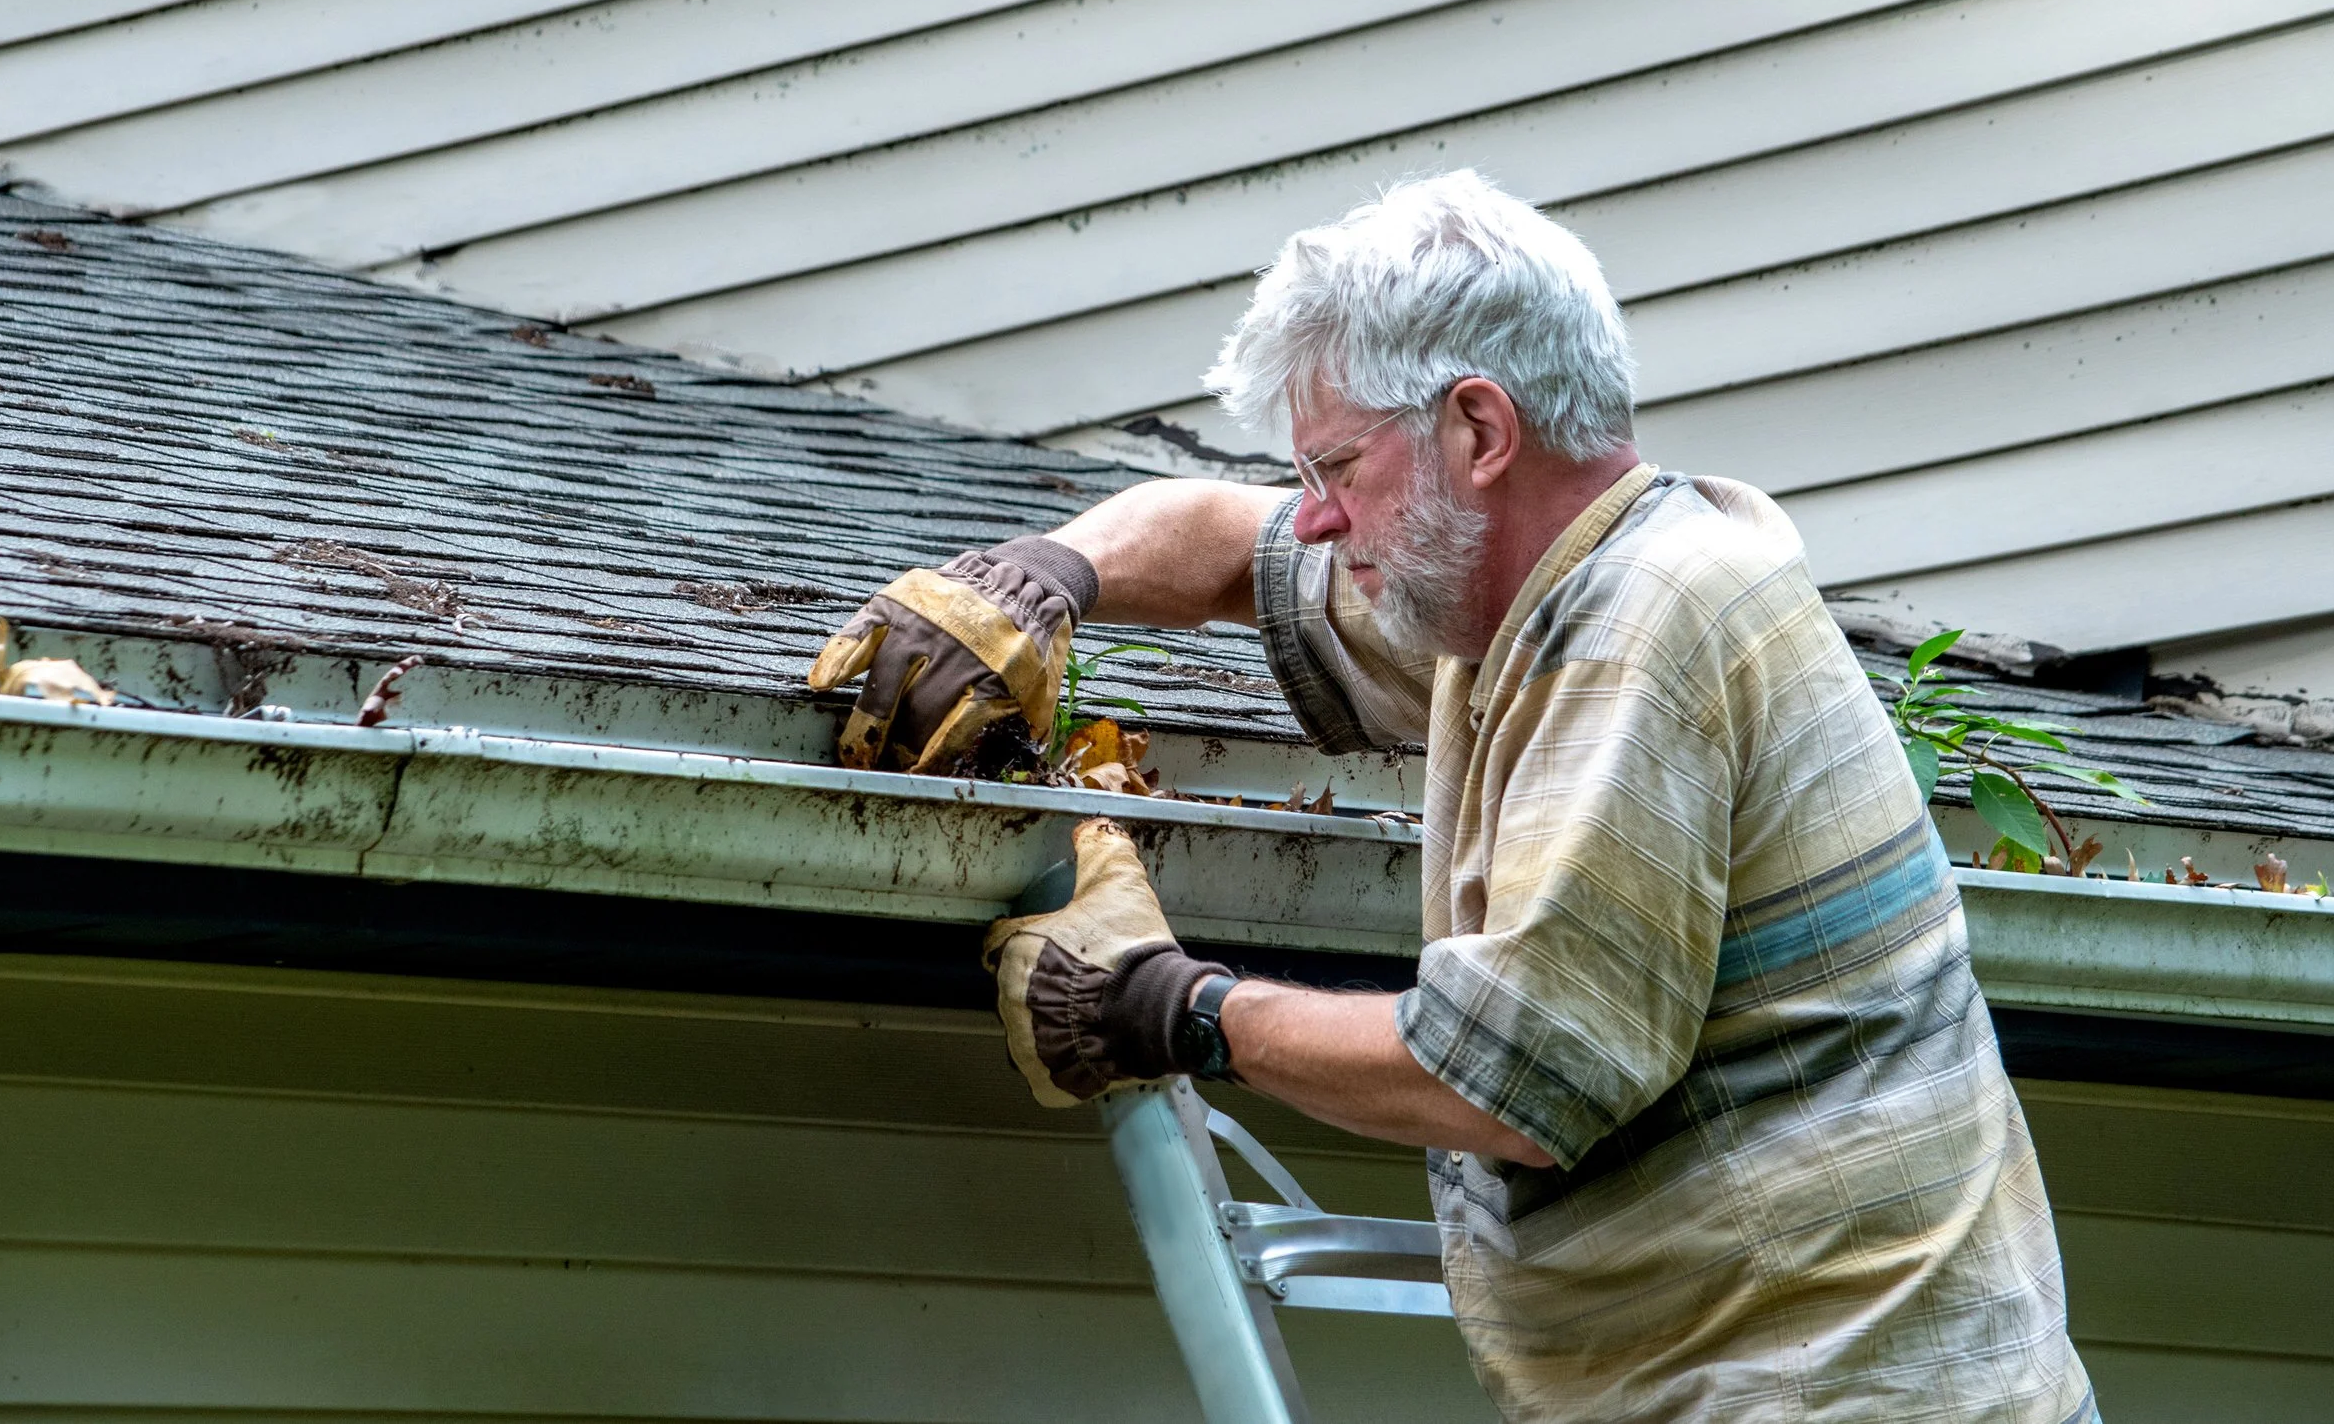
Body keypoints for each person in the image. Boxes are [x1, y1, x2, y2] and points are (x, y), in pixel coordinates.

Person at [808, 169, 2096, 1423]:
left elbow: (1515, 1078)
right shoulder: (1525, 611)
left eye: (1335, 469)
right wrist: (1045, 574)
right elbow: (1228, 544)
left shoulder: (1642, 626)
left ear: (1478, 431)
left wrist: (1164, 1007)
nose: (1313, 519)